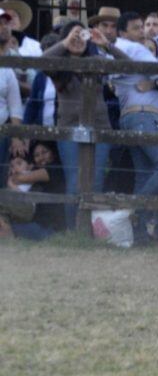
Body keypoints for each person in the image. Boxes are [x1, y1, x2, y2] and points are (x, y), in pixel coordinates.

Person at [43, 20, 129, 229]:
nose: (79, 39)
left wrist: (105, 44)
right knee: (74, 184)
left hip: (99, 128)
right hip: (69, 129)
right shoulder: (58, 65)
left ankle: (91, 231)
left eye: (83, 35)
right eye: (75, 34)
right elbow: (42, 61)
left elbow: (127, 64)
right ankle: (75, 231)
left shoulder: (96, 60)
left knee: (96, 181)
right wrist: (65, 43)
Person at [111, 17, 158, 244]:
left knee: (144, 176)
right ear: (123, 32)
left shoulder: (119, 51)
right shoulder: (133, 49)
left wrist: (156, 83)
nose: (142, 32)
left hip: (134, 117)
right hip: (145, 116)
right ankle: (133, 208)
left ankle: (138, 236)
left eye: (143, 27)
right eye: (136, 28)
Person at [9, 141, 66, 240]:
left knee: (7, 226)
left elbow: (18, 179)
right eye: (37, 155)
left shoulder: (56, 169)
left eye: (45, 152)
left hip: (48, 229)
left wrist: (11, 180)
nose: (41, 157)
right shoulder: (35, 176)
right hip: (37, 225)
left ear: (53, 153)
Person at [0, 8, 27, 180]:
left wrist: (17, 137)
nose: (4, 27)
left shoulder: (8, 69)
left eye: (5, 23)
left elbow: (15, 106)